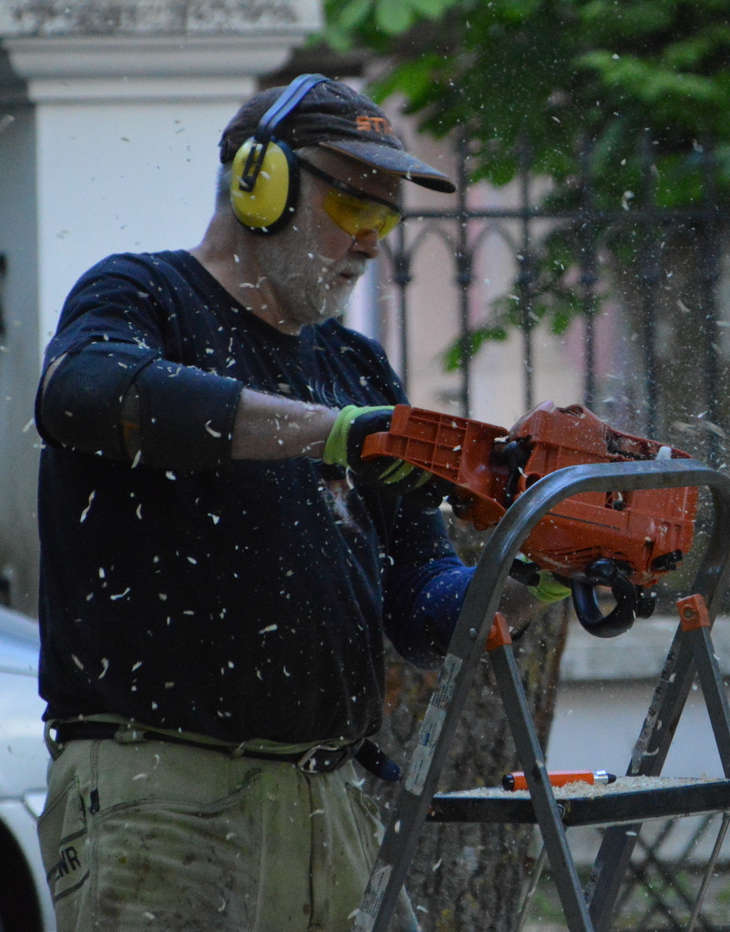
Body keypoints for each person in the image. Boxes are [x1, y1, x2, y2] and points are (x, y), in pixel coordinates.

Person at [33, 75, 544, 931]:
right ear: (258, 182)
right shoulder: (141, 297)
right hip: (165, 802)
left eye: (386, 219)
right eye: (352, 208)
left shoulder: (354, 367)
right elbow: (83, 393)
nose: (372, 242)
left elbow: (421, 609)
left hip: (328, 805)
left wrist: (532, 570)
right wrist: (335, 435)